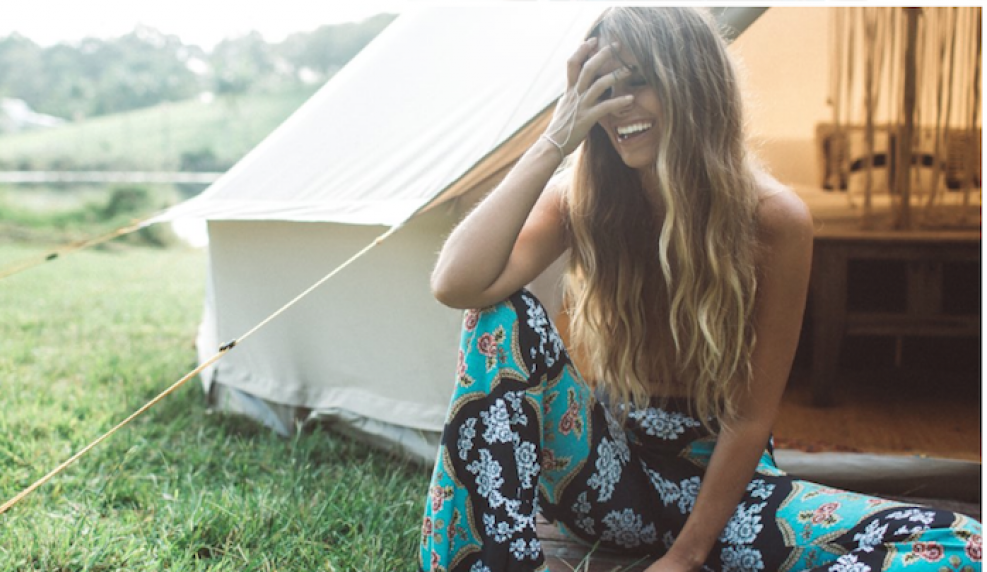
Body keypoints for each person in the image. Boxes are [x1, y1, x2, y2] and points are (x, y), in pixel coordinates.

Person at [419, 7, 981, 572]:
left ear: (692, 83)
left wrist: (685, 557)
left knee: (963, 544)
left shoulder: (774, 219)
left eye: (640, 81)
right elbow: (456, 283)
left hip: (729, 497)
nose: (620, 106)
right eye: (606, 89)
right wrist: (555, 138)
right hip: (607, 478)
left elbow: (751, 417)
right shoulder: (582, 197)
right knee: (500, 314)